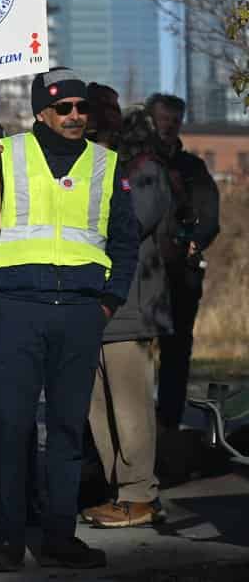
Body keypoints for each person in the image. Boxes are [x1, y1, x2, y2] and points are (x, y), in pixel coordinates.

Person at [0, 69, 138, 572]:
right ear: (41, 111)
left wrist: (108, 301)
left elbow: (125, 239)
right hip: (19, 309)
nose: (75, 116)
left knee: (66, 429)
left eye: (81, 108)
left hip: (81, 311)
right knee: (10, 427)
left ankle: (60, 537)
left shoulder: (106, 164)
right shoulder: (4, 154)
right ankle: (7, 539)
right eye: (64, 109)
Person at [83, 107, 175, 528]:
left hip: (131, 309)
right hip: (97, 308)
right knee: (98, 408)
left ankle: (139, 492)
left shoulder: (145, 173)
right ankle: (119, 489)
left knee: (130, 406)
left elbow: (130, 224)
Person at [145, 93, 220, 431]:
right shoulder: (136, 163)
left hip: (181, 275)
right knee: (136, 353)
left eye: (174, 120)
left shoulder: (192, 169)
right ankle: (138, 427)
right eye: (163, 119)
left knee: (176, 354)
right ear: (150, 120)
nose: (169, 126)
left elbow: (210, 216)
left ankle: (169, 425)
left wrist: (195, 241)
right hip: (142, 276)